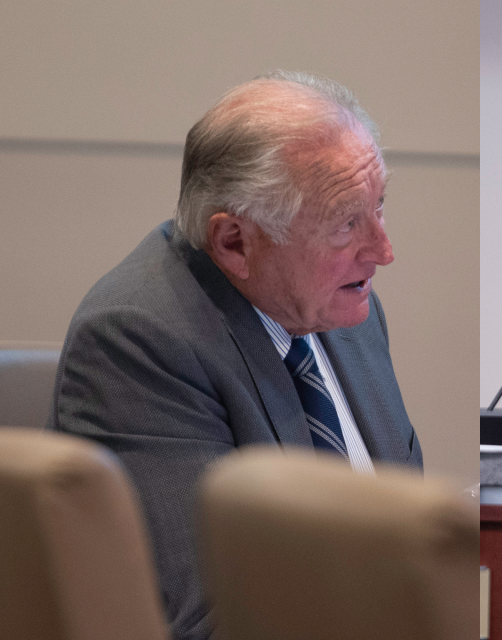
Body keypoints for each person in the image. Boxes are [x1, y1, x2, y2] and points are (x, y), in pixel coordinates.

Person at [47, 71, 422, 640]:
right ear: (234, 243)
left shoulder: (342, 309)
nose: (383, 251)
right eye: (347, 224)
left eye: (379, 208)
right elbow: (210, 618)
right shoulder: (138, 342)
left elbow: (405, 539)